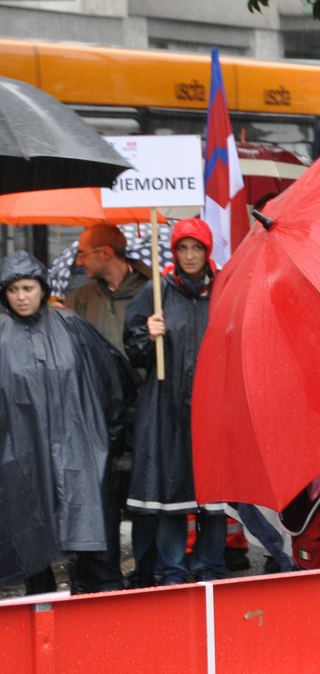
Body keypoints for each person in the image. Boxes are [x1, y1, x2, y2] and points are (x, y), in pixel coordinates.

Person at [0, 252, 131, 595]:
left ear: (41, 289)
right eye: (13, 290)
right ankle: (40, 610)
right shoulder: (1, 338)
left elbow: (110, 378)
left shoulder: (71, 326)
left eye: (28, 287)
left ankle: (95, 608)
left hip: (79, 450)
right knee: (33, 537)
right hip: (25, 456)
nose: (21, 296)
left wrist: (111, 437)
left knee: (89, 532)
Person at [124, 217, 227, 585]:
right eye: (182, 248)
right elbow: (133, 352)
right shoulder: (156, 291)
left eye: (196, 248)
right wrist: (149, 338)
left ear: (207, 251)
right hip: (166, 406)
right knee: (170, 490)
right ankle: (171, 569)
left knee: (214, 493)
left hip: (212, 406)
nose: (189, 255)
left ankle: (209, 566)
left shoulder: (223, 291)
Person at [63, 225, 155, 591]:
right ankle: (105, 581)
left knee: (148, 500)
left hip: (147, 412)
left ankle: (149, 576)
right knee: (102, 501)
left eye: (84, 253)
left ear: (105, 253)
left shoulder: (154, 292)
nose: (79, 260)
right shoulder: (81, 298)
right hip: (99, 419)